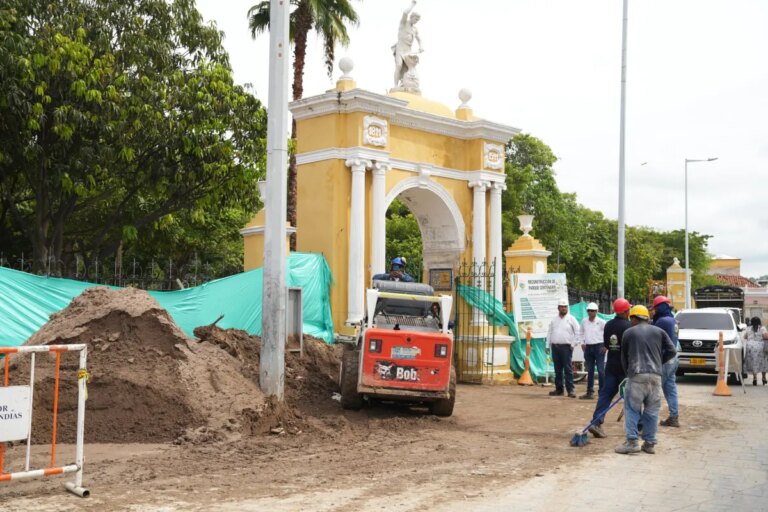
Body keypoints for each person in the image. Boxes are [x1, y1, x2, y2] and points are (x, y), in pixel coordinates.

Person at [615, 305, 676, 455]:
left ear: (634, 318)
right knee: (652, 411)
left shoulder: (628, 333)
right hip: (655, 376)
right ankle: (649, 443)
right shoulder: (659, 331)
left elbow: (624, 358)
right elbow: (672, 351)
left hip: (636, 375)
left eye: (631, 319)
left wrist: (627, 374)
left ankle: (632, 442)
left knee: (632, 409)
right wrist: (658, 363)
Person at [588, 298, 631, 438]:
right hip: (625, 368)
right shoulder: (629, 326)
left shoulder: (608, 325)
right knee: (633, 397)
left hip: (611, 365)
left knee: (605, 395)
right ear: (626, 311)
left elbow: (607, 344)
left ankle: (596, 422)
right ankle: (639, 426)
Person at [650, 295, 681, 428]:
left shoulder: (662, 321)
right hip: (673, 358)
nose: (654, 311)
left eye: (656, 308)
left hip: (664, 360)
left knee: (653, 390)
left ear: (661, 307)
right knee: (670, 389)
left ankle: (647, 421)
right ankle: (674, 417)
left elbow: (653, 339)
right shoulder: (673, 320)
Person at [545, 299, 580, 398]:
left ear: (567, 308)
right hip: (555, 347)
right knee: (557, 370)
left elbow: (578, 332)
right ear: (558, 308)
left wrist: (573, 344)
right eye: (562, 306)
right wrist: (547, 346)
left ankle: (571, 390)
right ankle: (559, 389)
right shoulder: (554, 320)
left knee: (568, 369)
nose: (564, 308)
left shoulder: (571, 319)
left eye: (565, 307)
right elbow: (549, 333)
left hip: (566, 348)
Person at [392, 0, 423, 89]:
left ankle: (404, 84)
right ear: (412, 17)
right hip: (400, 48)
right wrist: (412, 5)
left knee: (408, 68)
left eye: (418, 20)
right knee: (399, 65)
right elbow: (405, 13)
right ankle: (395, 85)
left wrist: (421, 46)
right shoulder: (403, 23)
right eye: (416, 19)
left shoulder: (415, 29)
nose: (416, 21)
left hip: (408, 50)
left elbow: (419, 38)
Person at [579, 302, 606, 400]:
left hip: (599, 347)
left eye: (593, 311)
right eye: (589, 311)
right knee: (589, 370)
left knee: (600, 370)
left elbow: (607, 334)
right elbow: (581, 333)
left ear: (597, 311)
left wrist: (606, 345)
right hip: (588, 347)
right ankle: (589, 392)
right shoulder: (584, 321)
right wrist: (582, 343)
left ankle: (602, 392)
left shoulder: (602, 322)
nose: (591, 312)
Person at [742, 317, 768, 385]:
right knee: (763, 362)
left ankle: (755, 378)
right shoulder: (762, 328)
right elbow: (765, 336)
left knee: (753, 362)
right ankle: (764, 377)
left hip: (750, 347)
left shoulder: (748, 328)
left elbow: (745, 337)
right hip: (761, 347)